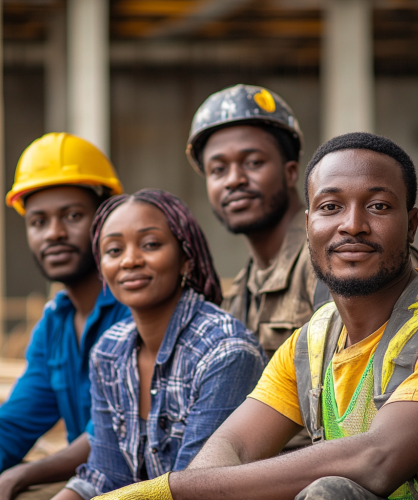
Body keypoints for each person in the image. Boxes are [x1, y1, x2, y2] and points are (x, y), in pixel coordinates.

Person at [93, 132, 418, 500]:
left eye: (378, 206)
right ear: (308, 225)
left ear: (412, 225)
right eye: (330, 207)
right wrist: (199, 487)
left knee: (328, 491)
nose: (353, 224)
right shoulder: (311, 343)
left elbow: (377, 458)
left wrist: (168, 489)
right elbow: (232, 446)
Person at [51, 189, 266, 500]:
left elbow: (191, 487)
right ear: (102, 269)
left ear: (186, 260)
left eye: (150, 244)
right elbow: (105, 475)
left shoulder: (226, 352)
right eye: (113, 250)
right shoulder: (108, 351)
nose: (130, 260)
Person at [186, 84, 418, 359]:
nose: (234, 180)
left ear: (290, 172)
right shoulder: (242, 291)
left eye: (253, 163)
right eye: (218, 170)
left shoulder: (347, 254)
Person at [0, 133, 130, 500]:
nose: (54, 233)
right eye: (38, 221)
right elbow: (13, 423)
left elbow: (111, 432)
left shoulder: (136, 310)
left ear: (106, 216)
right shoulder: (55, 325)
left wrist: (20, 475)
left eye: (73, 216)